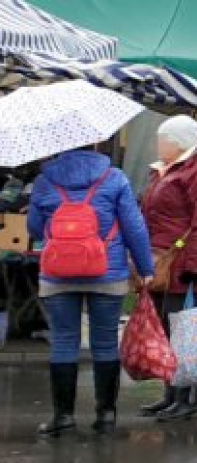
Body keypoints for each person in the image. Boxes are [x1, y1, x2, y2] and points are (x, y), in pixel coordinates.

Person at [28, 147, 155, 436]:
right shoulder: (114, 178)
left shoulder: (44, 181)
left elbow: (35, 229)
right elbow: (134, 226)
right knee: (105, 342)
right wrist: (146, 268)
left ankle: (63, 416)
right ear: (95, 146)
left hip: (58, 274)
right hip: (106, 272)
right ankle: (106, 415)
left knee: (63, 342)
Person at [138, 115, 197, 422]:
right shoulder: (165, 170)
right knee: (167, 329)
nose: (159, 144)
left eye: (164, 139)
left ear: (180, 143)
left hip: (184, 264)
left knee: (185, 331)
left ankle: (188, 398)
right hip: (163, 262)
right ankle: (171, 394)